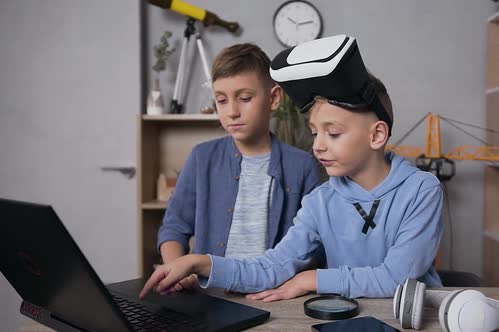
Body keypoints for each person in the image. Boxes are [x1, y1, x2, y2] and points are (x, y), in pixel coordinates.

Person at [142, 35, 443, 301]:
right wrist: (201, 263)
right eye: (315, 133)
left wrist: (312, 279)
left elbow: (397, 278)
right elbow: (273, 266)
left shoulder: (422, 190)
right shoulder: (320, 201)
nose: (318, 145)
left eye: (333, 133)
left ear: (377, 135)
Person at [156, 43, 321, 290]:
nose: (232, 111)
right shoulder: (202, 157)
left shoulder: (302, 165)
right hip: (210, 292)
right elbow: (174, 227)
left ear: (274, 98)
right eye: (221, 101)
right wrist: (177, 268)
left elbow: (313, 247)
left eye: (244, 98)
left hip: (272, 293)